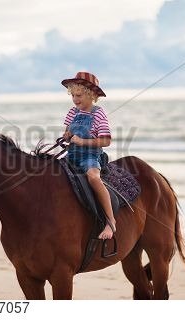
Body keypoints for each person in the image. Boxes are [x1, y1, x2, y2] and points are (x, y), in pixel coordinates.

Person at [61, 71, 115, 240]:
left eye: (80, 95)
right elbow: (67, 133)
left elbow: (106, 141)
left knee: (93, 177)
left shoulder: (98, 113)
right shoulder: (72, 112)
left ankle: (111, 222)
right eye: (73, 95)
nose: (76, 99)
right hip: (72, 155)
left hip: (90, 156)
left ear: (91, 95)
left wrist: (83, 142)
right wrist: (67, 136)